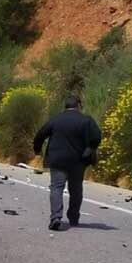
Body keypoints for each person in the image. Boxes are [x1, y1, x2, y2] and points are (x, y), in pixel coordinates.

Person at [32, 95, 102, 231]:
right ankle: (73, 217)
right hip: (78, 161)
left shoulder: (56, 120)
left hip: (57, 160)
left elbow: (40, 135)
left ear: (65, 106)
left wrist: (37, 150)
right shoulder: (86, 120)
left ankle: (56, 217)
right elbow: (97, 137)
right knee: (75, 189)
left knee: (56, 188)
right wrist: (90, 148)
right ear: (79, 105)